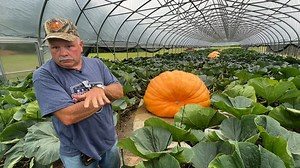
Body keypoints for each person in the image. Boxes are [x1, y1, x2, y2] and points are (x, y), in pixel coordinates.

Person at [33, 17, 124, 168]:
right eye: (55, 47)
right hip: (78, 152)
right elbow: (68, 116)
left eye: (69, 46)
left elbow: (118, 91)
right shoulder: (44, 75)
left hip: (109, 141)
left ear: (81, 45)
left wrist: (99, 90)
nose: (63, 53)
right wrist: (104, 97)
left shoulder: (96, 64)